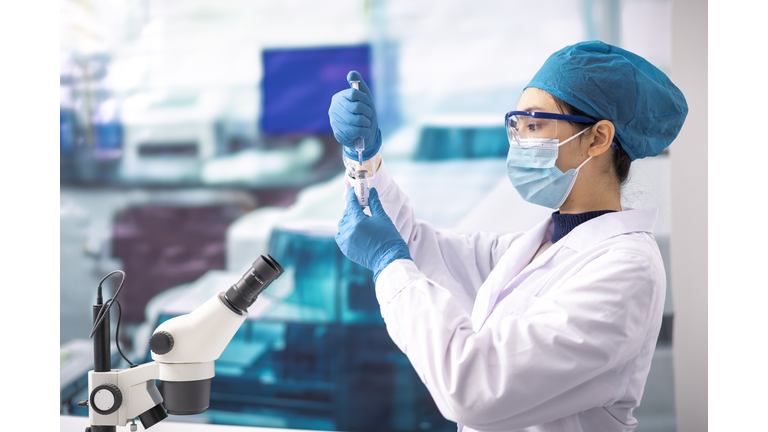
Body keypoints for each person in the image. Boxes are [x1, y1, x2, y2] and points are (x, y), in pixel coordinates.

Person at [328, 40, 687, 432]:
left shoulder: (625, 271)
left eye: (535, 125)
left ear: (598, 138)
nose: (519, 143)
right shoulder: (533, 248)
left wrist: (388, 263)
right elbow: (415, 247)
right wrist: (364, 159)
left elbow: (472, 389)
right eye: (516, 126)